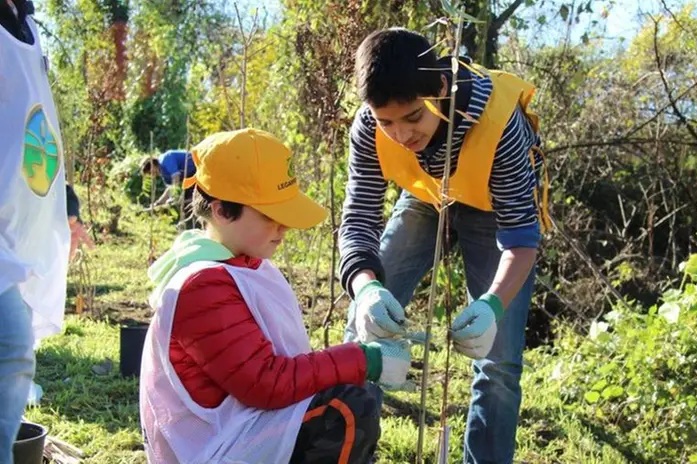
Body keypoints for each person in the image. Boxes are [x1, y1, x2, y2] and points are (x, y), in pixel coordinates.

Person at [338, 28, 551, 463]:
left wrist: (493, 306)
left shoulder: (501, 123)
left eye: (413, 117)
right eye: (386, 122)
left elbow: (521, 237)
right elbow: (358, 219)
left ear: (441, 88)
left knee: (498, 363)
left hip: (492, 208)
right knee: (363, 328)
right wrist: (365, 289)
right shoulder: (369, 125)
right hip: (425, 195)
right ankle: (345, 452)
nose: (400, 135)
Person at [139, 128, 412, 464]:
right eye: (271, 215)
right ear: (223, 210)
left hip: (244, 429)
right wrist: (364, 358)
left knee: (356, 394)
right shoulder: (202, 287)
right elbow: (265, 382)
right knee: (344, 410)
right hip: (218, 447)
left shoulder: (246, 265)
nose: (284, 227)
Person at [0, 0, 91, 461]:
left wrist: (64, 208)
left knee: (14, 353)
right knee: (10, 347)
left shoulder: (25, 20)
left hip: (16, 229)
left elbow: (35, 128)